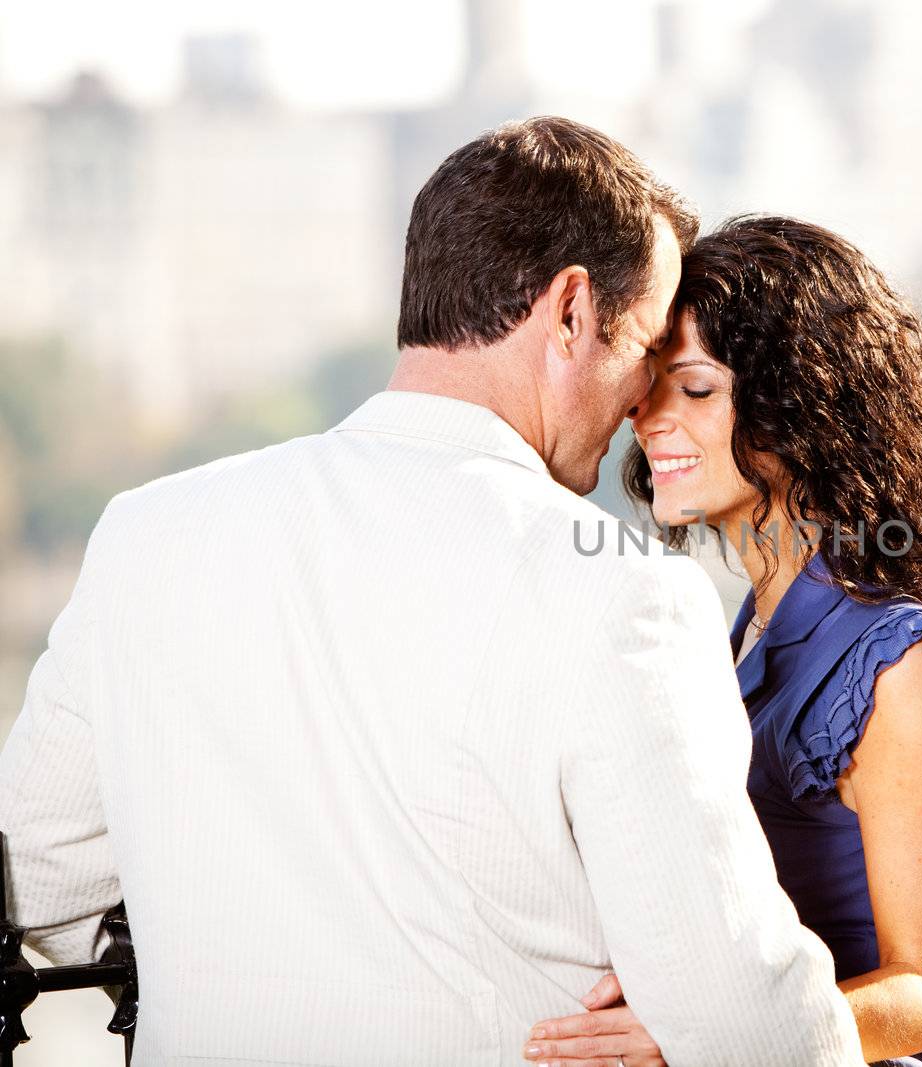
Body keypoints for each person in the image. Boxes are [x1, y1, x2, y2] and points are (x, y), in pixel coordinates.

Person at [0, 120, 864, 1065]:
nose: (642, 400)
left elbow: (37, 878)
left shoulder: (146, 535)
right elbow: (741, 1014)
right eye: (649, 350)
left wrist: (217, 944)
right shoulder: (623, 592)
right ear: (571, 311)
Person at [525, 216, 922, 1067]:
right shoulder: (756, 623)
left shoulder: (899, 655)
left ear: (798, 406)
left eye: (694, 390)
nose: (648, 416)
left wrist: (701, 1037)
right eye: (649, 385)